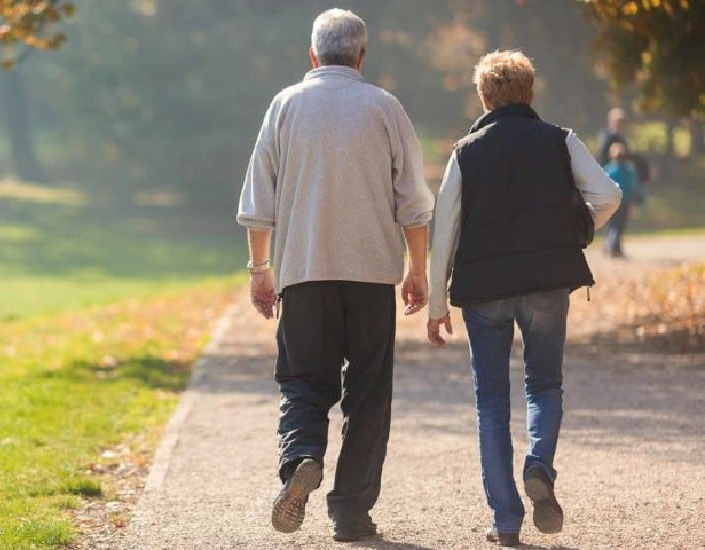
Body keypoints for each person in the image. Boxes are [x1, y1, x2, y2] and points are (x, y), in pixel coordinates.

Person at [236, 8, 435, 543]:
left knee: (303, 381)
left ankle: (302, 457)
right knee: (369, 395)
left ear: (313, 55)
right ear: (361, 55)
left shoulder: (284, 106)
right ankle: (350, 513)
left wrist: (261, 269)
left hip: (303, 273)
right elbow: (414, 203)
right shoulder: (385, 107)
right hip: (371, 278)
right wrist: (418, 270)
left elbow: (260, 201)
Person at [427, 50, 621, 547]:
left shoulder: (465, 151)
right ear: (530, 93)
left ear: (484, 97)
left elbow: (444, 227)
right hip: (547, 282)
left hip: (484, 291)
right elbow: (609, 195)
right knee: (545, 386)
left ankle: (506, 521)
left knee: (491, 402)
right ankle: (539, 466)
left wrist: (435, 303)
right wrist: (577, 228)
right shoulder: (561, 140)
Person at [603, 142, 643, 257]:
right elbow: (634, 185)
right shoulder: (629, 170)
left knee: (613, 225)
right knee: (619, 226)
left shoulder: (608, 170)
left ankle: (613, 247)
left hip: (612, 201)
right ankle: (613, 247)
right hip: (624, 201)